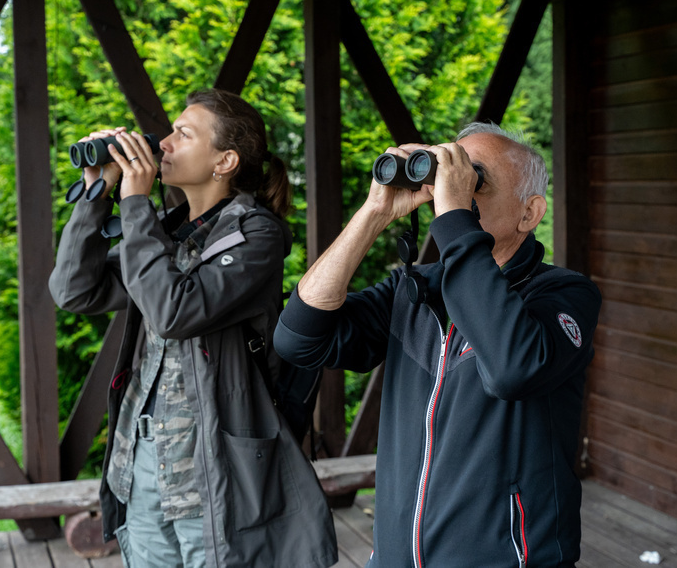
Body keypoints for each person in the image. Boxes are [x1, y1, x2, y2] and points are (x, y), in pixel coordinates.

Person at [273, 122, 602, 567]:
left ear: (530, 213)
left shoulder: (564, 295)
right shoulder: (415, 290)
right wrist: (374, 210)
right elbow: (297, 338)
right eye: (451, 175)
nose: (454, 190)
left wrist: (453, 218)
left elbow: (513, 368)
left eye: (473, 179)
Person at [49, 89, 337, 568]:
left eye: (183, 133)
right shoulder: (166, 230)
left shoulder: (256, 235)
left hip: (215, 468)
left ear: (225, 160)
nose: (163, 143)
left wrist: (136, 205)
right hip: (142, 460)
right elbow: (75, 291)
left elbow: (174, 313)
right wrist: (97, 195)